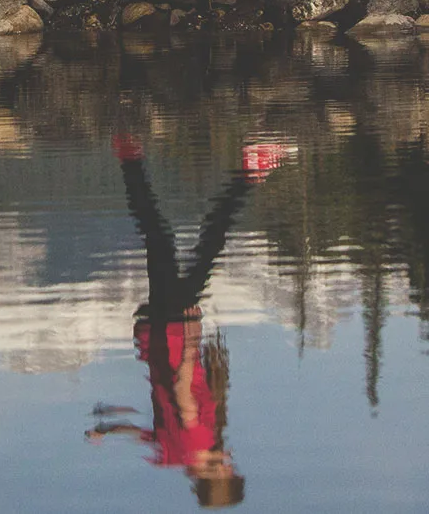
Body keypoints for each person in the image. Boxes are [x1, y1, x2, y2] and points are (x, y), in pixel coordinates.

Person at [87, 134, 291, 507]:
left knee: (188, 239)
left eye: (229, 469)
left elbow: (183, 389)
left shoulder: (197, 439)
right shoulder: (172, 456)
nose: (230, 461)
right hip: (153, 335)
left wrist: (192, 337)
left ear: (216, 475)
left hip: (175, 329)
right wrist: (107, 430)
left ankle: (247, 169)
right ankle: (130, 155)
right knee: (174, 241)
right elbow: (141, 433)